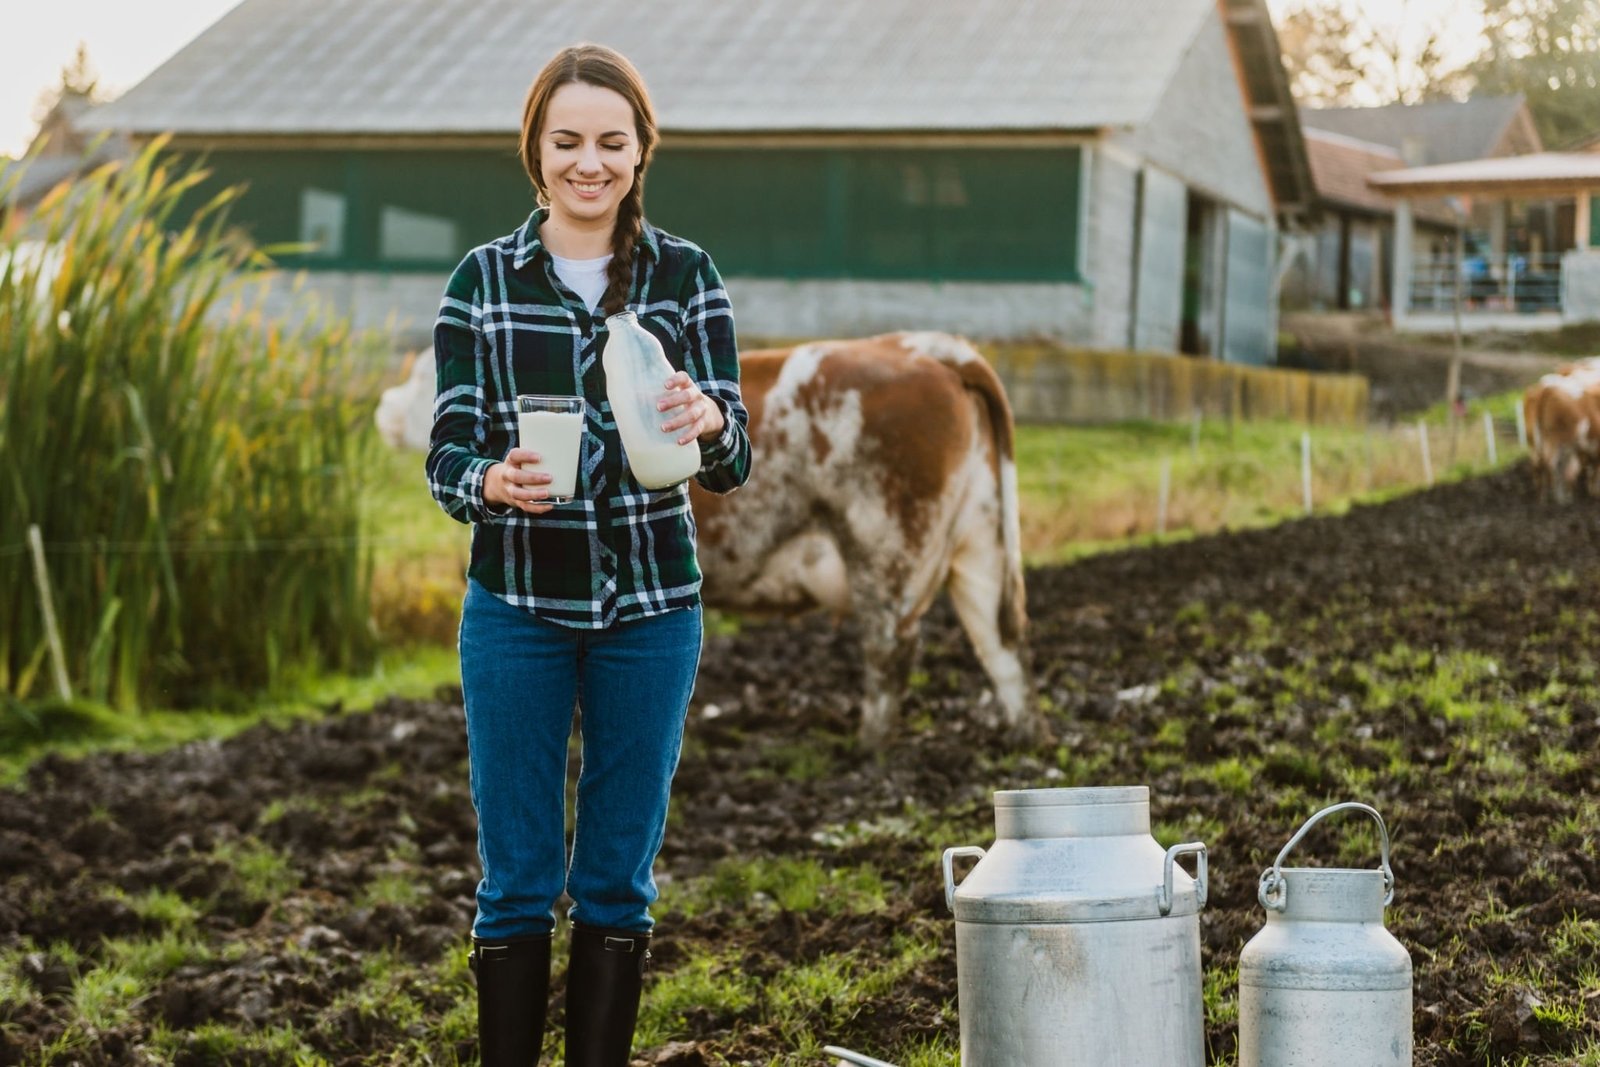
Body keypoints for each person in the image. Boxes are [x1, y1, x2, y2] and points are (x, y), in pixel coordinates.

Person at [425, 42, 752, 1067]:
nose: (588, 163)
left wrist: (707, 420)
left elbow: (734, 456)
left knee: (616, 876)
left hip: (653, 610)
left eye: (611, 142)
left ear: (640, 150)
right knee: (516, 875)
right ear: (535, 149)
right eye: (566, 141)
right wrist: (488, 480)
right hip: (516, 606)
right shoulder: (482, 280)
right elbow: (446, 448)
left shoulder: (685, 276)